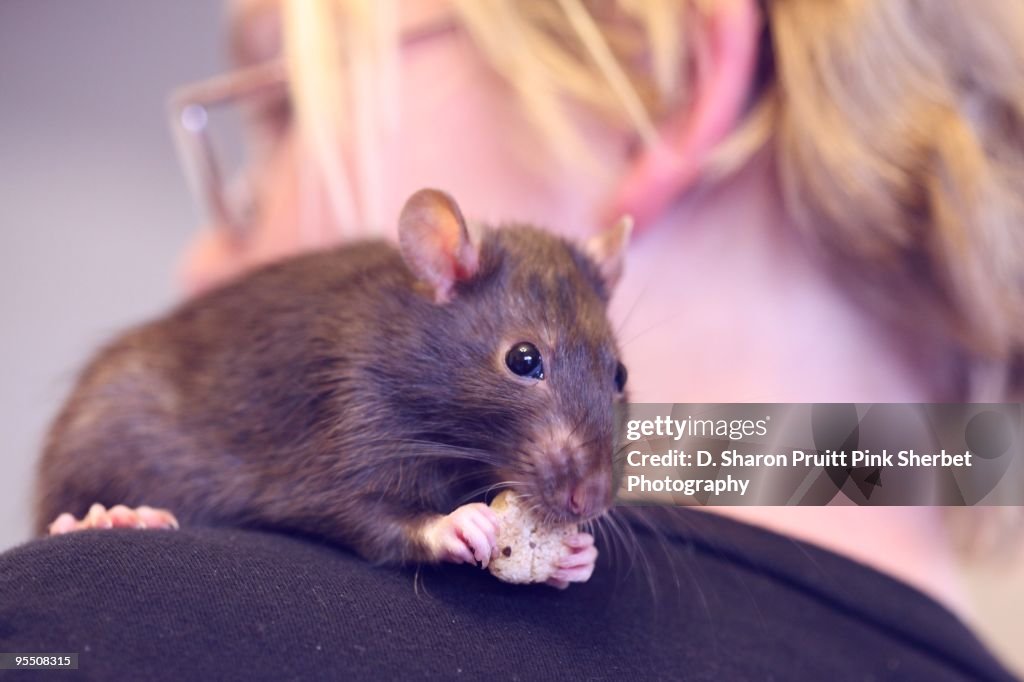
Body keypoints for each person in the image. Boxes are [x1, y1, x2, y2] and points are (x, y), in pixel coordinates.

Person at [3, 0, 1021, 679]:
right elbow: (887, 460)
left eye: (280, 106)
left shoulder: (122, 624)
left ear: (654, 81)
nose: (201, 262)